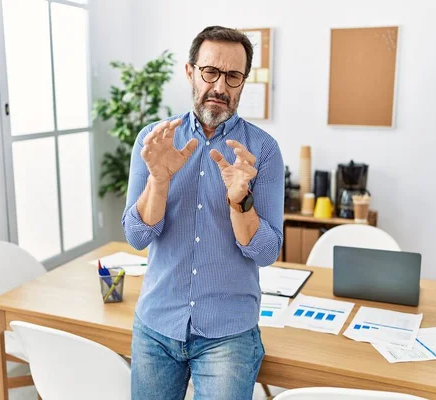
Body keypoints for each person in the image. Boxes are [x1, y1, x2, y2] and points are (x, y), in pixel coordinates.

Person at [122, 25, 284, 399]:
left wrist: (240, 200)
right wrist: (158, 181)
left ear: (243, 81)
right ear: (190, 71)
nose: (220, 87)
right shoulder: (154, 141)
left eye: (233, 76)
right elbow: (136, 236)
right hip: (157, 326)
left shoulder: (264, 151)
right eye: (210, 72)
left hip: (228, 335)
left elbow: (265, 253)